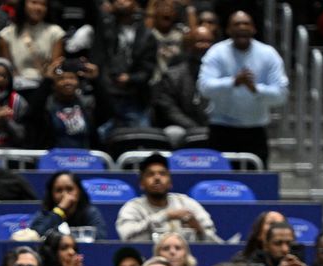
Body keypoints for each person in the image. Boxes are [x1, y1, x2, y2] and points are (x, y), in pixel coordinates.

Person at [197, 11, 288, 166]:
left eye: (246, 23)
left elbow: (281, 95)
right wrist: (233, 82)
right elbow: (204, 87)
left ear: (254, 29)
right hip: (221, 130)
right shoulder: (216, 52)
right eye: (237, 24)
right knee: (220, 184)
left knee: (256, 185)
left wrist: (255, 89)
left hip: (255, 131)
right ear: (228, 30)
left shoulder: (269, 54)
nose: (242, 27)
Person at [116, 153, 222, 242]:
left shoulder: (186, 203)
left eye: (162, 174)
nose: (157, 178)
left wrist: (198, 229)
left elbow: (213, 240)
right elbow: (126, 237)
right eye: (150, 174)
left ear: (170, 182)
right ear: (141, 183)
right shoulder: (133, 208)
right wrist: (165, 215)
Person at [94, 0, 157, 138]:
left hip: (134, 97)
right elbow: (99, 59)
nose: (121, 2)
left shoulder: (146, 35)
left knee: (141, 139)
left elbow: (148, 70)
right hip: (106, 96)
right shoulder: (104, 28)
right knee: (103, 138)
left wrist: (130, 79)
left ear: (136, 5)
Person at [153, 25, 214, 147]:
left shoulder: (222, 74)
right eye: (200, 42)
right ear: (189, 46)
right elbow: (170, 110)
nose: (206, 46)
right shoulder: (172, 75)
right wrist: (195, 128)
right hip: (184, 128)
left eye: (209, 42)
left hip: (214, 126)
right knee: (173, 133)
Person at [25, 57, 99, 149]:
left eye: (72, 78)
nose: (67, 82)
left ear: (78, 83)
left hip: (84, 159)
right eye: (61, 79)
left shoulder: (86, 104)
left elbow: (108, 112)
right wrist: (47, 79)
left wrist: (96, 81)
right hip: (55, 160)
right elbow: (32, 113)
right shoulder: (47, 106)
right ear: (54, 84)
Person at [0, 0, 64, 88]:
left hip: (45, 85)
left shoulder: (55, 32)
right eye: (34, 2)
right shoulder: (6, 35)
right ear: (23, 5)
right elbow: (7, 69)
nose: (39, 8)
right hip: (18, 86)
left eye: (43, 4)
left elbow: (55, 67)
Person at [29, 171, 107, 239]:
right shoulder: (45, 213)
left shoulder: (90, 212)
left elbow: (100, 237)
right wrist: (60, 210)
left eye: (70, 189)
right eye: (59, 190)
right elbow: (36, 235)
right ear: (51, 194)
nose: (64, 194)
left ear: (79, 191)